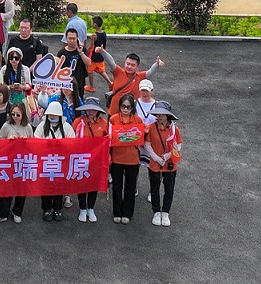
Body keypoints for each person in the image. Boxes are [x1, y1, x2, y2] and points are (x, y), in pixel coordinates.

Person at [0, 101, 35, 225]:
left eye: (18, 115)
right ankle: (2, 214)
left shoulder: (28, 128)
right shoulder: (6, 126)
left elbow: (34, 145)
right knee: (6, 189)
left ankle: (17, 212)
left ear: (23, 115)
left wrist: (25, 142)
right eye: (13, 114)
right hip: (8, 163)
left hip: (23, 163)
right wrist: (8, 141)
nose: (15, 117)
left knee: (21, 189)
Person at [108, 93, 146, 224]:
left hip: (133, 158)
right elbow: (109, 138)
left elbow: (142, 139)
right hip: (117, 158)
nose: (125, 109)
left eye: (128, 107)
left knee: (130, 187)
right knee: (117, 187)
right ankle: (117, 212)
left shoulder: (138, 120)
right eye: (123, 106)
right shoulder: (113, 119)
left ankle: (127, 213)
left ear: (132, 108)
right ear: (119, 106)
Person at [143, 101, 182, 225]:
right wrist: (156, 158)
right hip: (155, 165)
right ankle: (156, 212)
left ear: (167, 116)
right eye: (158, 114)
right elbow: (147, 144)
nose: (159, 116)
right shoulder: (151, 127)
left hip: (170, 165)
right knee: (154, 189)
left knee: (169, 189)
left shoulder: (175, 129)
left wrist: (167, 156)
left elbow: (178, 145)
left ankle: (165, 212)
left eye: (162, 114)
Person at [36, 98, 75, 221]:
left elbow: (73, 142)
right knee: (46, 187)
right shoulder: (42, 126)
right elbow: (35, 140)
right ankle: (47, 209)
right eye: (50, 115)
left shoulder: (67, 127)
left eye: (55, 115)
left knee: (59, 186)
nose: (52, 116)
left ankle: (57, 209)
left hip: (60, 163)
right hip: (46, 162)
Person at [73, 95, 109, 223]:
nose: (91, 111)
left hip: (97, 159)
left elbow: (108, 141)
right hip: (81, 158)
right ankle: (82, 208)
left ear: (98, 110)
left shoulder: (104, 124)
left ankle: (91, 208)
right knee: (81, 183)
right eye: (88, 109)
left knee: (94, 183)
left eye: (93, 109)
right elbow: (71, 139)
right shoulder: (78, 122)